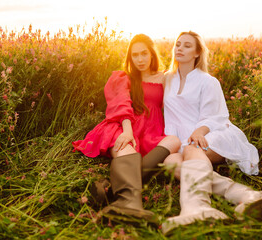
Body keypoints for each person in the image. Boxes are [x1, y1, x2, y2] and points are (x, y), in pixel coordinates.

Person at [161, 31, 262, 234]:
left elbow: (217, 116)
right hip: (182, 140)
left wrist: (199, 131)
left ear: (197, 53)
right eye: (178, 44)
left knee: (192, 147)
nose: (180, 48)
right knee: (170, 163)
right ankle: (249, 196)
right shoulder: (167, 79)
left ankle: (196, 207)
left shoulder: (208, 81)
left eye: (187, 46)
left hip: (212, 133)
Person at [72, 34, 181, 223]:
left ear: (152, 53)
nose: (139, 59)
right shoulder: (124, 77)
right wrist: (127, 131)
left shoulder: (165, 78)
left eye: (144, 54)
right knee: (127, 149)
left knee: (174, 140)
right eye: (135, 55)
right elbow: (121, 103)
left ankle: (110, 191)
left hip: (151, 131)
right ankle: (130, 205)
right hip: (123, 125)